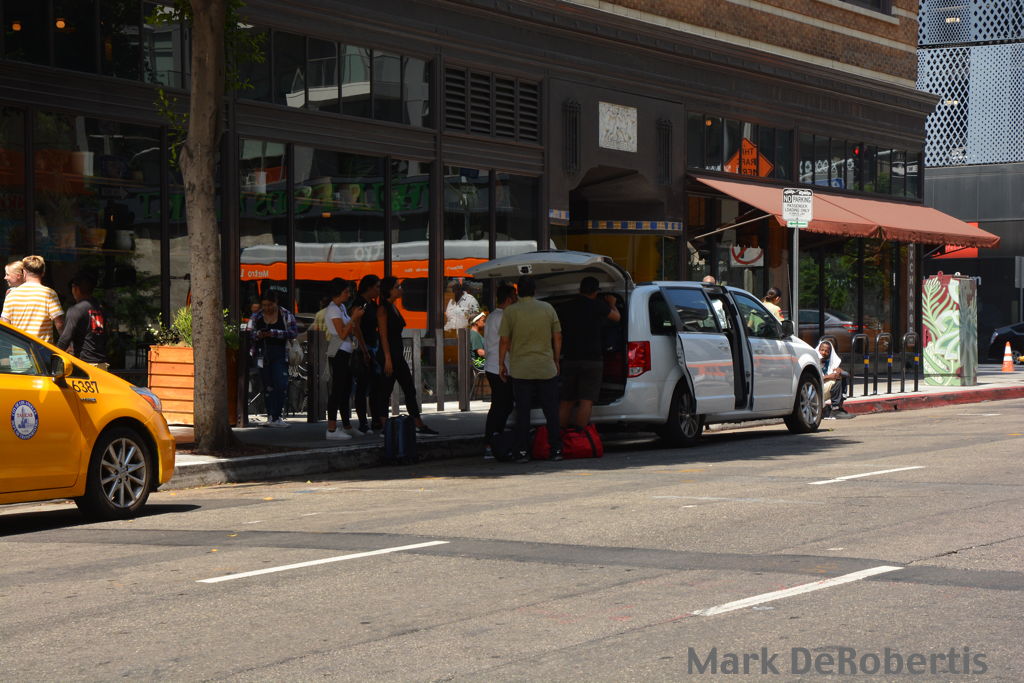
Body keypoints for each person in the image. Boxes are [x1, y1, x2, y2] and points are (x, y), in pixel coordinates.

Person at [499, 274, 562, 462]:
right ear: (534, 291)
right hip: (545, 367)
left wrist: (501, 363)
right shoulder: (548, 308)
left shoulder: (511, 312)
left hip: (521, 369)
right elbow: (557, 336)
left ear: (518, 292)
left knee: (523, 412)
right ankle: (556, 450)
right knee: (551, 411)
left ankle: (522, 452)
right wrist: (556, 360)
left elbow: (504, 341)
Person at [376, 276, 438, 434]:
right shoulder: (383, 309)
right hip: (389, 355)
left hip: (398, 355)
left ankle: (418, 423)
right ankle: (384, 425)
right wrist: (388, 359)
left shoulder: (393, 307)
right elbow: (383, 336)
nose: (400, 289)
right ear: (389, 290)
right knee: (385, 391)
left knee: (409, 389)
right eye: (397, 287)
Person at [558, 276, 620, 429]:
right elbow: (616, 317)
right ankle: (579, 436)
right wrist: (612, 304)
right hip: (592, 360)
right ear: (595, 292)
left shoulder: (566, 306)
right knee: (586, 400)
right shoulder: (597, 305)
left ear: (580, 289)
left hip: (570, 359)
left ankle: (557, 436)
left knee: (566, 400)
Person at [247, 290, 298, 427]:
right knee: (267, 385)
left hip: (280, 352)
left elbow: (293, 332)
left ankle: (277, 416)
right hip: (261, 353)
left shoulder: (285, 314)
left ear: (276, 302)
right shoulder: (257, 316)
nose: (267, 308)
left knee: (281, 384)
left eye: (270, 305)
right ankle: (271, 416)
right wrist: (259, 334)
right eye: (264, 305)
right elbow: (249, 333)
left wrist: (274, 333)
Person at [324, 278, 364, 440]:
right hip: (339, 351)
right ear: (338, 293)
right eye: (346, 291)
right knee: (338, 389)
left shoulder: (340, 307)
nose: (349, 294)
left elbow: (349, 330)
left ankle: (346, 425)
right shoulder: (333, 309)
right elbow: (341, 334)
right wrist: (354, 318)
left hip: (345, 350)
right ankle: (331, 428)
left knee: (346, 389)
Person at [482, 283, 517, 458]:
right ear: (509, 299)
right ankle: (492, 441)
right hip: (500, 367)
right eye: (515, 296)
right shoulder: (503, 317)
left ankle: (495, 439)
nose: (517, 299)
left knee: (501, 405)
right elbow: (506, 342)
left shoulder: (492, 316)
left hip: (493, 365)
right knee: (501, 406)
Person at [1, 255, 64, 343]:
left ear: (24, 272)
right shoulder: (49, 293)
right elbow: (59, 324)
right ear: (43, 272)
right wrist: (67, 345)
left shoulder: (11, 294)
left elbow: (5, 323)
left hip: (18, 348)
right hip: (42, 348)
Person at [350, 274, 382, 435]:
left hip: (374, 347)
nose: (379, 290)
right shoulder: (360, 304)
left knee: (376, 386)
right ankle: (363, 422)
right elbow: (356, 328)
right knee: (362, 386)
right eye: (377, 287)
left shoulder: (373, 304)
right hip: (363, 348)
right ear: (369, 288)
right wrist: (364, 350)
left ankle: (376, 420)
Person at [56, 272, 109, 369]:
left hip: (84, 365)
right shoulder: (100, 309)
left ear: (75, 288)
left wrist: (53, 359)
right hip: (101, 364)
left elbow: (65, 339)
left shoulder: (76, 310)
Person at [818, 340, 852, 419]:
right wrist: (829, 376)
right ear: (818, 350)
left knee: (841, 376)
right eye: (822, 350)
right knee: (837, 380)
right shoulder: (813, 361)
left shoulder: (830, 362)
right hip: (815, 390)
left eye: (827, 351)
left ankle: (839, 407)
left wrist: (841, 371)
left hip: (824, 389)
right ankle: (835, 409)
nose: (823, 353)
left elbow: (848, 375)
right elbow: (812, 379)